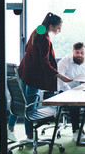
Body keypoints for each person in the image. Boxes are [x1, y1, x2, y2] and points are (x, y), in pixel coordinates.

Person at [7, 12, 72, 142]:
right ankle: (30, 137)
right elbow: (45, 62)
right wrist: (59, 75)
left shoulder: (38, 30)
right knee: (30, 106)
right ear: (51, 26)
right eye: (58, 28)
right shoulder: (45, 39)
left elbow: (26, 48)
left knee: (19, 102)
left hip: (25, 71)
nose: (59, 31)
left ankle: (10, 129)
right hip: (33, 76)